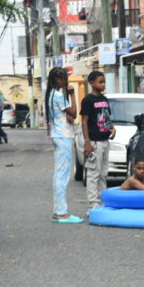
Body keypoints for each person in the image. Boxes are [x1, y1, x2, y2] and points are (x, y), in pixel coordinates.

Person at [46, 67, 84, 224]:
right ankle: (62, 212)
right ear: (56, 80)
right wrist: (73, 94)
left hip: (57, 134)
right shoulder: (59, 95)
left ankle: (58, 210)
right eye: (63, 78)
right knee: (63, 174)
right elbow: (74, 113)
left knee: (58, 173)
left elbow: (66, 114)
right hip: (63, 135)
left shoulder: (51, 94)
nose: (65, 81)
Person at [80, 71, 116, 209]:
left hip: (105, 141)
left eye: (104, 82)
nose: (103, 84)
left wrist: (112, 128)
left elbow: (107, 117)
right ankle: (93, 204)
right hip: (94, 142)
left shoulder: (104, 99)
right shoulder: (88, 100)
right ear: (92, 83)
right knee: (93, 174)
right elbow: (84, 122)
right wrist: (87, 142)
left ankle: (102, 201)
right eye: (100, 82)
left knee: (103, 173)